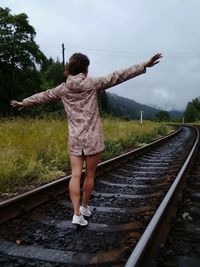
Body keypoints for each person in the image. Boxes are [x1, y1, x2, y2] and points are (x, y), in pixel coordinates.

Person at [11, 52, 162, 226]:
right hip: (92, 138)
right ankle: (84, 207)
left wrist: (24, 102)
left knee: (75, 175)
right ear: (85, 69)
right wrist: (144, 64)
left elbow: (43, 96)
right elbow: (119, 75)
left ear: (70, 68)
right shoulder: (92, 84)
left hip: (75, 138)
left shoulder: (63, 88)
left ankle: (76, 214)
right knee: (89, 175)